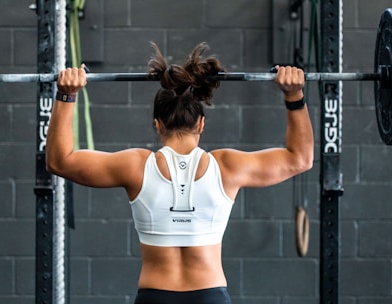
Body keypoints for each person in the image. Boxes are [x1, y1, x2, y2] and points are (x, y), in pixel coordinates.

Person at [46, 42, 314, 304]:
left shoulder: (136, 166)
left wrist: (66, 96)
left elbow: (60, 161)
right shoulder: (227, 167)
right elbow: (300, 158)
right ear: (201, 123)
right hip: (210, 295)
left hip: (155, 295)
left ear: (157, 124)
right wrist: (294, 96)